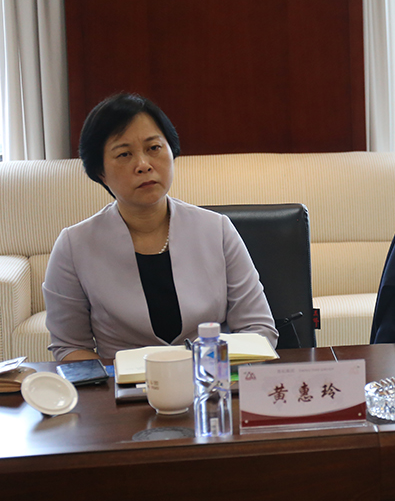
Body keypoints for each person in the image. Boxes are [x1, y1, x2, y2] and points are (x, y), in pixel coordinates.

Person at [44, 93, 278, 362]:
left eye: (153, 148)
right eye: (124, 154)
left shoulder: (217, 230)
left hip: (211, 379)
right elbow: (69, 346)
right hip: (121, 386)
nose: (143, 165)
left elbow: (258, 329)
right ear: (101, 173)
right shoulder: (74, 246)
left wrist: (205, 371)